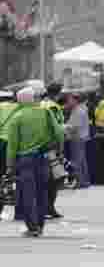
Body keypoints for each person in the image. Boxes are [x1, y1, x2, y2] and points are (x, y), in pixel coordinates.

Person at [6, 87, 63, 237]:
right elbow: (59, 133)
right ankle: (41, 225)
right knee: (42, 192)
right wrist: (59, 151)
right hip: (44, 157)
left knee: (28, 194)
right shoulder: (45, 112)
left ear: (20, 100)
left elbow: (12, 145)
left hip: (25, 159)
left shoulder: (17, 117)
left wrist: (10, 165)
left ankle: (32, 227)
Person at [39, 84, 65, 218]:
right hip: (51, 146)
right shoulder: (53, 107)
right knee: (54, 179)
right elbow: (58, 129)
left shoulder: (40, 104)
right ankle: (49, 207)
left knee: (43, 179)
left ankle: (45, 207)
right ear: (58, 93)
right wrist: (61, 149)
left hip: (40, 145)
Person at [63, 91, 92, 189]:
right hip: (79, 138)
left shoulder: (78, 111)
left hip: (77, 138)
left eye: (70, 100)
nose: (68, 102)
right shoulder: (79, 109)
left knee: (77, 161)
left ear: (75, 100)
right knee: (82, 161)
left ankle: (80, 181)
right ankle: (84, 181)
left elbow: (74, 127)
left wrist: (63, 127)